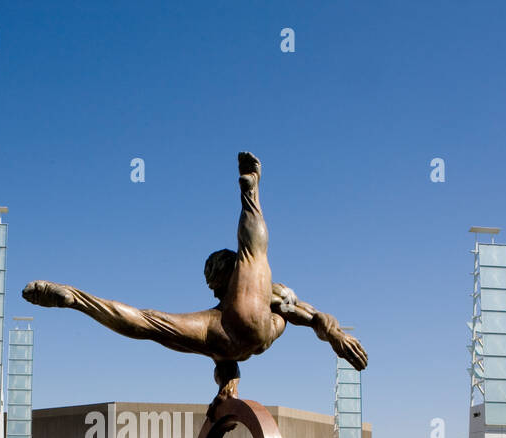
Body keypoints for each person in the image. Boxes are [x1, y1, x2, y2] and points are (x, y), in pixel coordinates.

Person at [22, 151, 368, 404]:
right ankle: (251, 193)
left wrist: (228, 388)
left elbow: (228, 364)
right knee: (256, 252)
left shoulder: (223, 319)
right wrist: (335, 336)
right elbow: (315, 318)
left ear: (218, 280)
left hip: (228, 334)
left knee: (147, 323)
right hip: (253, 325)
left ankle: (75, 298)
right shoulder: (266, 297)